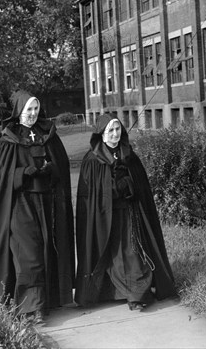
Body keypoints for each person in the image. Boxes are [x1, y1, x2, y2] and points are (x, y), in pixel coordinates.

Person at [0, 90, 74, 322]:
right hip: (21, 205)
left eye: (36, 109)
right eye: (28, 110)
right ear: (18, 112)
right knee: (29, 256)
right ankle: (29, 307)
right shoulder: (8, 139)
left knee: (46, 251)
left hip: (46, 203)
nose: (33, 114)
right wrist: (24, 173)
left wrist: (51, 170)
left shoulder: (48, 135)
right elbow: (1, 178)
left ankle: (47, 301)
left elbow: (62, 167)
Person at [74, 113, 176, 311]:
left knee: (132, 253)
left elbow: (141, 186)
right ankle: (108, 292)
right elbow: (90, 194)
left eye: (117, 129)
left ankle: (136, 296)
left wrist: (128, 184)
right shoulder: (92, 159)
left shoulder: (129, 155)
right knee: (109, 256)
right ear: (102, 134)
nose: (115, 134)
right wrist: (113, 186)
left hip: (128, 214)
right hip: (104, 218)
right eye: (110, 131)